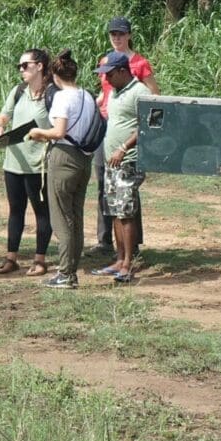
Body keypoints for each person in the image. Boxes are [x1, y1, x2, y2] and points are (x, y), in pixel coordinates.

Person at [27, 50, 100, 289]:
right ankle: (70, 270)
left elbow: (58, 132)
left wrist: (38, 133)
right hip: (84, 159)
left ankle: (66, 273)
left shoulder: (61, 97)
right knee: (75, 216)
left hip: (64, 157)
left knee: (61, 218)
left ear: (54, 75)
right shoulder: (87, 96)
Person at [90, 16, 158, 258]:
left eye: (120, 33)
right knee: (105, 184)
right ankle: (105, 240)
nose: (116, 37)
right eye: (112, 34)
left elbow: (153, 99)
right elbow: (104, 93)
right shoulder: (106, 62)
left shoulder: (139, 65)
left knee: (127, 192)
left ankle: (131, 248)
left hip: (129, 130)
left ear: (129, 34)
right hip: (108, 126)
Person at [0, 48, 54, 277]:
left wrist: (43, 134)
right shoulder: (18, 91)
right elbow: (4, 115)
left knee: (41, 211)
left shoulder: (52, 94)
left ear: (40, 66)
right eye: (20, 66)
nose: (21, 70)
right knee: (15, 210)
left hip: (39, 166)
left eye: (25, 65)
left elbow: (60, 128)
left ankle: (40, 260)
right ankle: (11, 258)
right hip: (13, 163)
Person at [90, 52, 146, 284]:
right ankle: (119, 258)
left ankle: (128, 263)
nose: (107, 79)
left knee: (126, 212)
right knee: (114, 210)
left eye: (110, 74)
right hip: (111, 161)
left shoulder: (140, 92)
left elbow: (147, 125)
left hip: (128, 160)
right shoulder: (114, 91)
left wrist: (123, 147)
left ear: (123, 71)